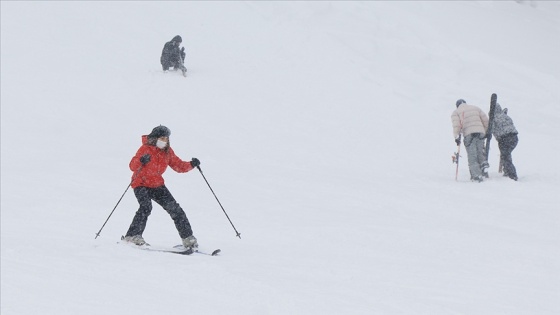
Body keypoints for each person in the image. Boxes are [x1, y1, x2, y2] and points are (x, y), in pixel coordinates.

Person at [124, 125, 201, 250]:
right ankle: (132, 236)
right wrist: (141, 161)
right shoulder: (145, 149)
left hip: (157, 184)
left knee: (175, 209)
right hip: (141, 183)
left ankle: (188, 239)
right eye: (162, 138)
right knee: (146, 207)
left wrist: (191, 164)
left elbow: (178, 166)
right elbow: (132, 166)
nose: (164, 141)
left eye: (166, 139)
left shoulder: (167, 152)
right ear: (155, 138)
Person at [451, 99, 489, 182]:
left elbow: (456, 125)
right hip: (480, 132)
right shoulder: (475, 108)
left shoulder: (456, 112)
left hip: (469, 134)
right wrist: (485, 132)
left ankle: (476, 176)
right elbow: (486, 120)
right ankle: (483, 164)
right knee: (480, 151)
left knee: (472, 156)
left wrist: (457, 137)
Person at [492, 103, 519, 181]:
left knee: (505, 156)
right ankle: (507, 171)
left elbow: (493, 130)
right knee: (507, 155)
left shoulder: (494, 118)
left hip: (504, 139)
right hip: (514, 137)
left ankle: (512, 175)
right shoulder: (506, 116)